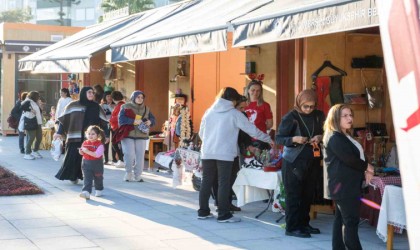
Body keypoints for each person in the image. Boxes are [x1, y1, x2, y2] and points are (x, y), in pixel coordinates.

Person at [198, 87, 274, 223]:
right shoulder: (234, 113)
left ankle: (203, 212)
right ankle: (223, 214)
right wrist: (269, 139)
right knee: (224, 183)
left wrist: (209, 144)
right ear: (233, 100)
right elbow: (252, 131)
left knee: (206, 181)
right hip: (225, 153)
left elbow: (201, 134)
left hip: (207, 152)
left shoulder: (209, 112)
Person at [323, 104, 374, 250]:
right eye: (345, 115)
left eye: (350, 115)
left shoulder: (344, 135)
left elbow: (357, 157)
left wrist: (365, 168)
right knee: (350, 222)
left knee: (341, 221)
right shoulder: (334, 137)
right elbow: (349, 158)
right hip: (344, 187)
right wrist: (367, 167)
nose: (349, 118)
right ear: (335, 118)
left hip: (347, 185)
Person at [275, 89, 325, 238]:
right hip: (293, 161)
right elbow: (279, 139)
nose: (309, 110)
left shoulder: (319, 115)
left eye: (312, 106)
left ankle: (304, 224)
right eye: (305, 106)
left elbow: (327, 131)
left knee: (307, 194)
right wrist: (294, 139)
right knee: (294, 194)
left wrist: (320, 136)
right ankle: (291, 227)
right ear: (299, 103)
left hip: (313, 159)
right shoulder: (291, 117)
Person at [54, 86, 109, 184]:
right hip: (74, 137)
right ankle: (73, 176)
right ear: (84, 93)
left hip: (91, 139)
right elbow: (63, 120)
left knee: (89, 160)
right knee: (73, 158)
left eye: (92, 92)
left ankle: (88, 178)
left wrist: (107, 135)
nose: (91, 94)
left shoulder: (97, 107)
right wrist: (59, 132)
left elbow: (104, 122)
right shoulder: (73, 105)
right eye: (89, 92)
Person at [118, 90, 156, 182]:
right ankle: (128, 173)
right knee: (129, 154)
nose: (140, 99)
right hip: (128, 134)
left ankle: (138, 175)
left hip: (142, 135)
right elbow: (121, 119)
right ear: (133, 97)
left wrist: (150, 122)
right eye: (138, 97)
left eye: (142, 97)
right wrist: (133, 121)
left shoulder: (147, 108)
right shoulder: (125, 106)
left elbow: (153, 119)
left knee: (140, 156)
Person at [79, 125, 106, 200]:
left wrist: (87, 151)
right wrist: (81, 151)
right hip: (86, 163)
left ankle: (99, 189)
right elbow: (81, 153)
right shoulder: (85, 142)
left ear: (98, 135)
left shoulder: (100, 144)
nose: (90, 136)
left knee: (98, 177)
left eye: (93, 134)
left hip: (97, 164)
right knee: (87, 178)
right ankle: (86, 192)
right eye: (89, 134)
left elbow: (97, 155)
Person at [20, 91, 43, 160]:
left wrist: (39, 105)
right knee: (31, 137)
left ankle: (35, 150)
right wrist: (30, 110)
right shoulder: (28, 101)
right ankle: (27, 153)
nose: (39, 97)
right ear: (34, 96)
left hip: (38, 122)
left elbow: (39, 112)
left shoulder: (35, 102)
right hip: (31, 122)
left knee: (39, 137)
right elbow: (21, 106)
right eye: (38, 96)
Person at [109, 90, 125, 168]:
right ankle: (121, 159)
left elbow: (119, 117)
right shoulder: (120, 105)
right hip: (117, 127)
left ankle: (121, 159)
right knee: (117, 144)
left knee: (115, 143)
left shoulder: (120, 105)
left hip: (118, 127)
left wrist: (110, 119)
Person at [101, 91, 115, 165]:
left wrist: (110, 106)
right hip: (105, 124)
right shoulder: (102, 105)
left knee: (114, 141)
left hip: (114, 124)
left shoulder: (115, 105)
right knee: (105, 141)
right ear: (105, 97)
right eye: (107, 96)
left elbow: (114, 113)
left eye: (110, 96)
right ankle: (106, 159)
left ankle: (114, 159)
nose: (109, 98)